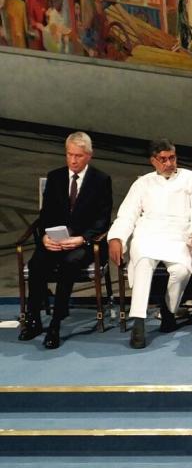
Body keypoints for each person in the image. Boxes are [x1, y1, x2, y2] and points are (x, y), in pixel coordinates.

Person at [108, 139, 192, 349]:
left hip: (178, 235)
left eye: (172, 158)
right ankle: (138, 323)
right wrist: (116, 237)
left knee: (181, 271)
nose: (168, 163)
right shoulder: (142, 183)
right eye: (162, 159)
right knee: (144, 264)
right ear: (153, 161)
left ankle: (168, 310)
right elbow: (127, 214)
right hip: (148, 234)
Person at [19, 132, 113, 349]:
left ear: (89, 155)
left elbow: (102, 220)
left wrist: (82, 239)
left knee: (69, 265)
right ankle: (33, 319)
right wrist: (44, 237)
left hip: (83, 244)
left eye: (78, 156)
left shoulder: (101, 180)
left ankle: (55, 324)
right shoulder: (55, 177)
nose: (73, 160)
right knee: (36, 264)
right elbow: (45, 215)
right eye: (69, 155)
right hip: (56, 240)